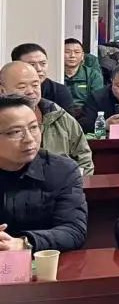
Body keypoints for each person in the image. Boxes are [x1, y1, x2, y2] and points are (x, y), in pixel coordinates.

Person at [0, 94, 87, 252]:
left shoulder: (63, 171)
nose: (29, 139)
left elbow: (73, 231)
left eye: (34, 127)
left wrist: (23, 243)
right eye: (15, 132)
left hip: (43, 261)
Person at [0, 61, 94, 175]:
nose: (30, 91)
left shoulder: (59, 116)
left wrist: (74, 181)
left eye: (35, 85)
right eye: (22, 87)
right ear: (2, 90)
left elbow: (84, 157)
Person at [10, 43, 75, 112]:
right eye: (32, 64)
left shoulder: (59, 91)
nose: (39, 69)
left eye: (43, 63)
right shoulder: (9, 89)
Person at [62, 38, 104, 110]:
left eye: (77, 52)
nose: (72, 55)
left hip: (85, 112)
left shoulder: (93, 75)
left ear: (82, 56)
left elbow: (97, 101)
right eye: (67, 52)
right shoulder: (55, 74)